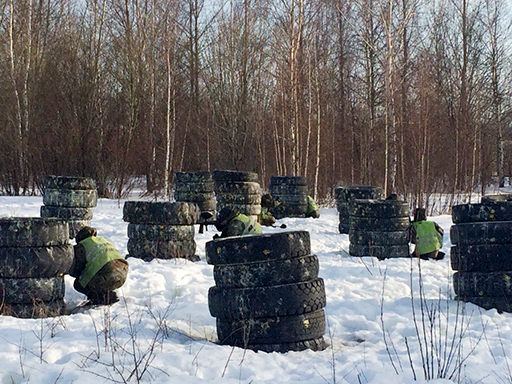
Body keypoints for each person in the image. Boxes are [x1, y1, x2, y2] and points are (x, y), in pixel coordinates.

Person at [70, 226, 129, 305]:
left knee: (79, 284)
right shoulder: (103, 239)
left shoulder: (82, 245)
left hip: (105, 271)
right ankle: (106, 292)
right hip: (122, 271)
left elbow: (76, 269)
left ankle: (102, 298)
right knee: (104, 279)